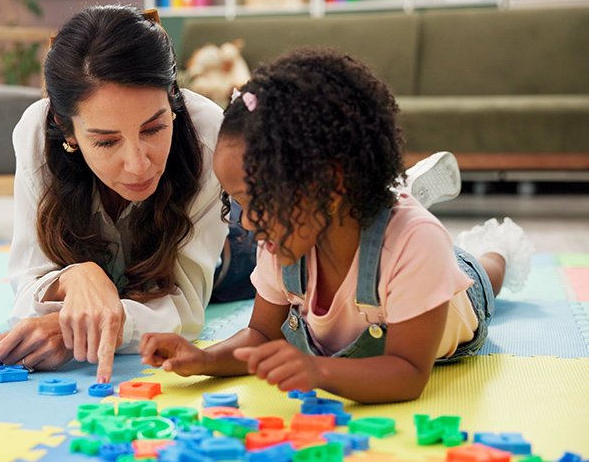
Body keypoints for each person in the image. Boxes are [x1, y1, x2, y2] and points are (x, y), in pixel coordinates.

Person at [139, 49, 534, 403]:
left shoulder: (416, 244)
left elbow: (407, 373)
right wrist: (204, 358)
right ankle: (400, 190)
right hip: (377, 242)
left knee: (482, 271)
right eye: (239, 204)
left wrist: (320, 372)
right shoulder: (282, 243)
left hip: (447, 302)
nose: (248, 222)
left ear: (331, 182)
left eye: (257, 201)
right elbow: (262, 335)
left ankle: (495, 245)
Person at [0, 5, 257, 384]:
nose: (139, 165)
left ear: (172, 99)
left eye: (154, 129)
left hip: (228, 251)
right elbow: (27, 285)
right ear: (67, 129)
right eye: (107, 142)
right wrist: (77, 277)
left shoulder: (207, 132)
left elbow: (185, 312)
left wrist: (70, 329)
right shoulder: (36, 135)